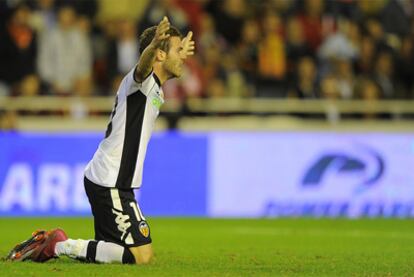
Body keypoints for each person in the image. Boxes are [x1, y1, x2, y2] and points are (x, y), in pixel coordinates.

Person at [6, 16, 195, 265]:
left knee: (115, 251)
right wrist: (152, 47)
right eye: (176, 50)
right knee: (141, 256)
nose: (182, 56)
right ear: (159, 55)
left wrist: (176, 47)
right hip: (110, 181)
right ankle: (58, 245)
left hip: (114, 181)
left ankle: (56, 243)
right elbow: (142, 67)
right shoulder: (140, 81)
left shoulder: (156, 87)